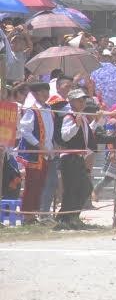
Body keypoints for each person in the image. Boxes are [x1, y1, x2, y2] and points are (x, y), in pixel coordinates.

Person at [18, 82, 56, 224]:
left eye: (47, 91)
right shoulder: (31, 109)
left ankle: (34, 214)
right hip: (34, 153)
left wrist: (50, 148)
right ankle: (27, 216)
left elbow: (50, 132)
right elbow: (25, 131)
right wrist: (38, 145)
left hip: (45, 153)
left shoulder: (49, 109)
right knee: (32, 184)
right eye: (42, 92)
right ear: (35, 94)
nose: (45, 94)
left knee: (41, 184)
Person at [56, 89, 95, 230]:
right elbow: (65, 136)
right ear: (71, 101)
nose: (83, 102)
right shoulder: (69, 117)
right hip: (69, 157)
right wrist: (75, 125)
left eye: (83, 100)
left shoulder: (82, 117)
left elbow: (87, 136)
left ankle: (72, 217)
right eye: (79, 100)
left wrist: (94, 123)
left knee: (85, 187)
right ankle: (64, 218)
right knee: (71, 189)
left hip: (78, 158)